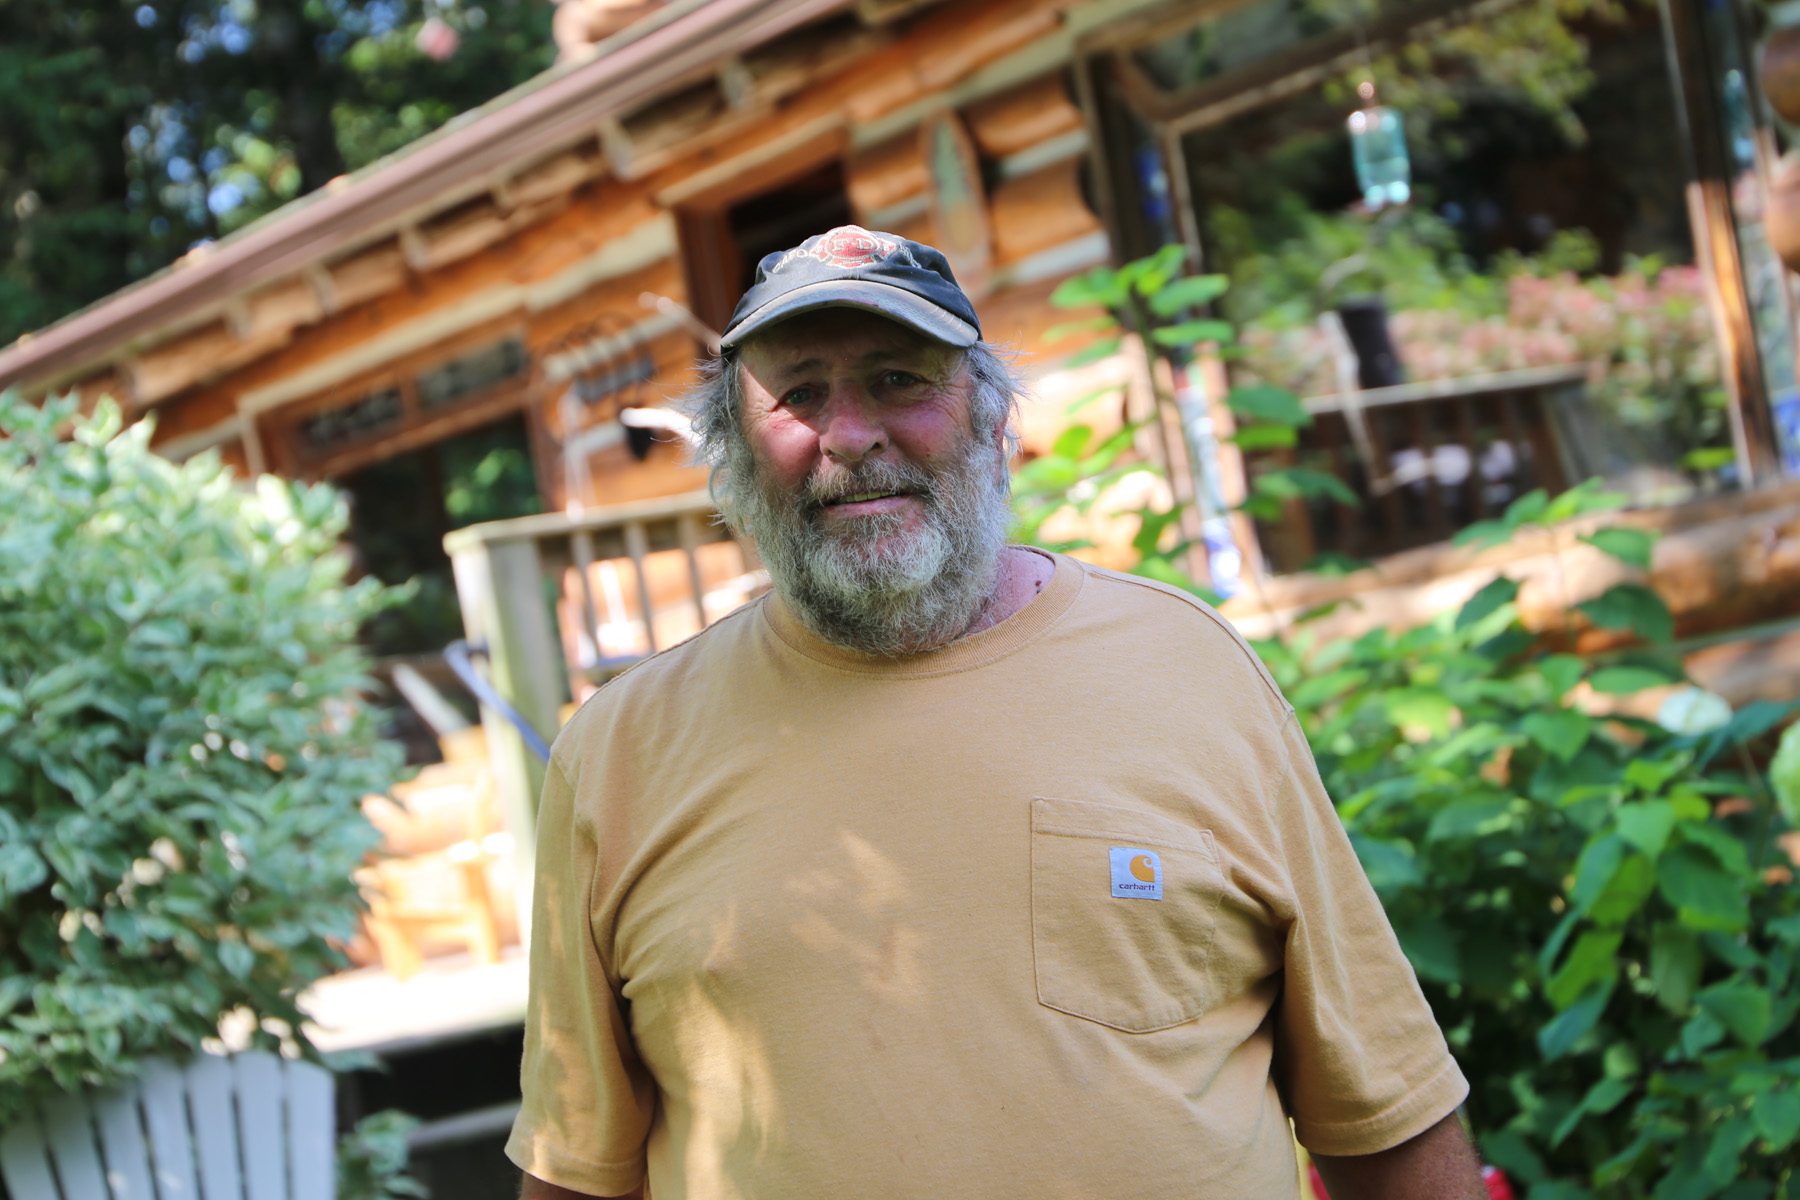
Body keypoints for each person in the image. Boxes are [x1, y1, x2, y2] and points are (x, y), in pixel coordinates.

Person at [507, 226, 1485, 1200]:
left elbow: (1385, 1113)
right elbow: (579, 1170)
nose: (850, 435)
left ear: (992, 420)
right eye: (799, 394)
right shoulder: (622, 754)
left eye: (899, 379)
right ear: (733, 452)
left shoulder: (1190, 671)